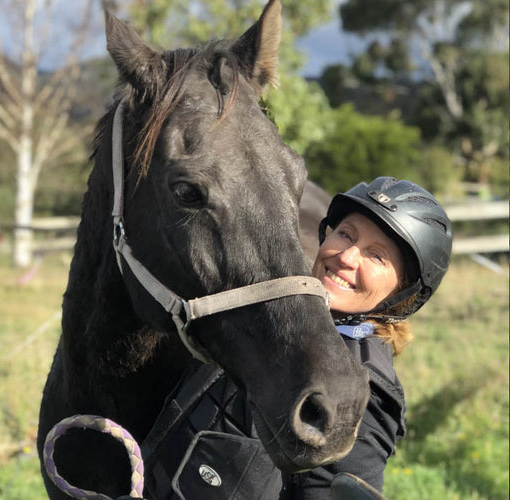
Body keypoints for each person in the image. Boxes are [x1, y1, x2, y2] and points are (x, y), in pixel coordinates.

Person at [139, 177, 453, 500]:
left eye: (377, 257)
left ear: (402, 294)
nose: (347, 257)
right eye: (346, 234)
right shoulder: (278, 315)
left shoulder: (363, 392)